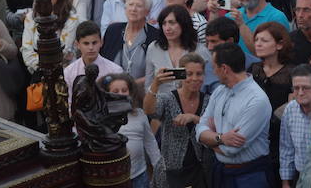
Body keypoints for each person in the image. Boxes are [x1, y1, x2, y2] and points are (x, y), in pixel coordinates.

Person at [196, 42, 272, 187]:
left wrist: (208, 138)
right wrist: (221, 138)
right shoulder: (219, 91)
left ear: (224, 69)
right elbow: (199, 129)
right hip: (222, 173)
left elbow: (231, 149)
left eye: (214, 67)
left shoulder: (257, 100)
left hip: (250, 177)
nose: (212, 71)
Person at [144, 51, 211, 188]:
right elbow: (149, 110)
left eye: (199, 74)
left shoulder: (209, 100)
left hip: (198, 170)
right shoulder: (168, 98)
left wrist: (194, 118)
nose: (194, 78)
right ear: (180, 74)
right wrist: (156, 84)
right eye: (189, 74)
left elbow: (215, 128)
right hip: (170, 172)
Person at [105, 73, 162, 188]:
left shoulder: (140, 114)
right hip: (113, 178)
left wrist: (158, 167)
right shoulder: (102, 117)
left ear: (130, 93)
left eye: (124, 90)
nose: (120, 94)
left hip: (139, 175)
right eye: (115, 91)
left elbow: (150, 143)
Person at [20, 0, 79, 72]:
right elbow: (26, 50)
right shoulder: (31, 17)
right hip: (37, 72)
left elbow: (64, 50)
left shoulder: (71, 18)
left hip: (64, 72)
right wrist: (40, 67)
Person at [145, 4, 211, 95]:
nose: (167, 28)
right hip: (160, 105)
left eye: (172, 23)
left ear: (183, 24)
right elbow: (148, 85)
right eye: (164, 23)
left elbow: (209, 85)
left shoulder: (200, 51)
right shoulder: (153, 48)